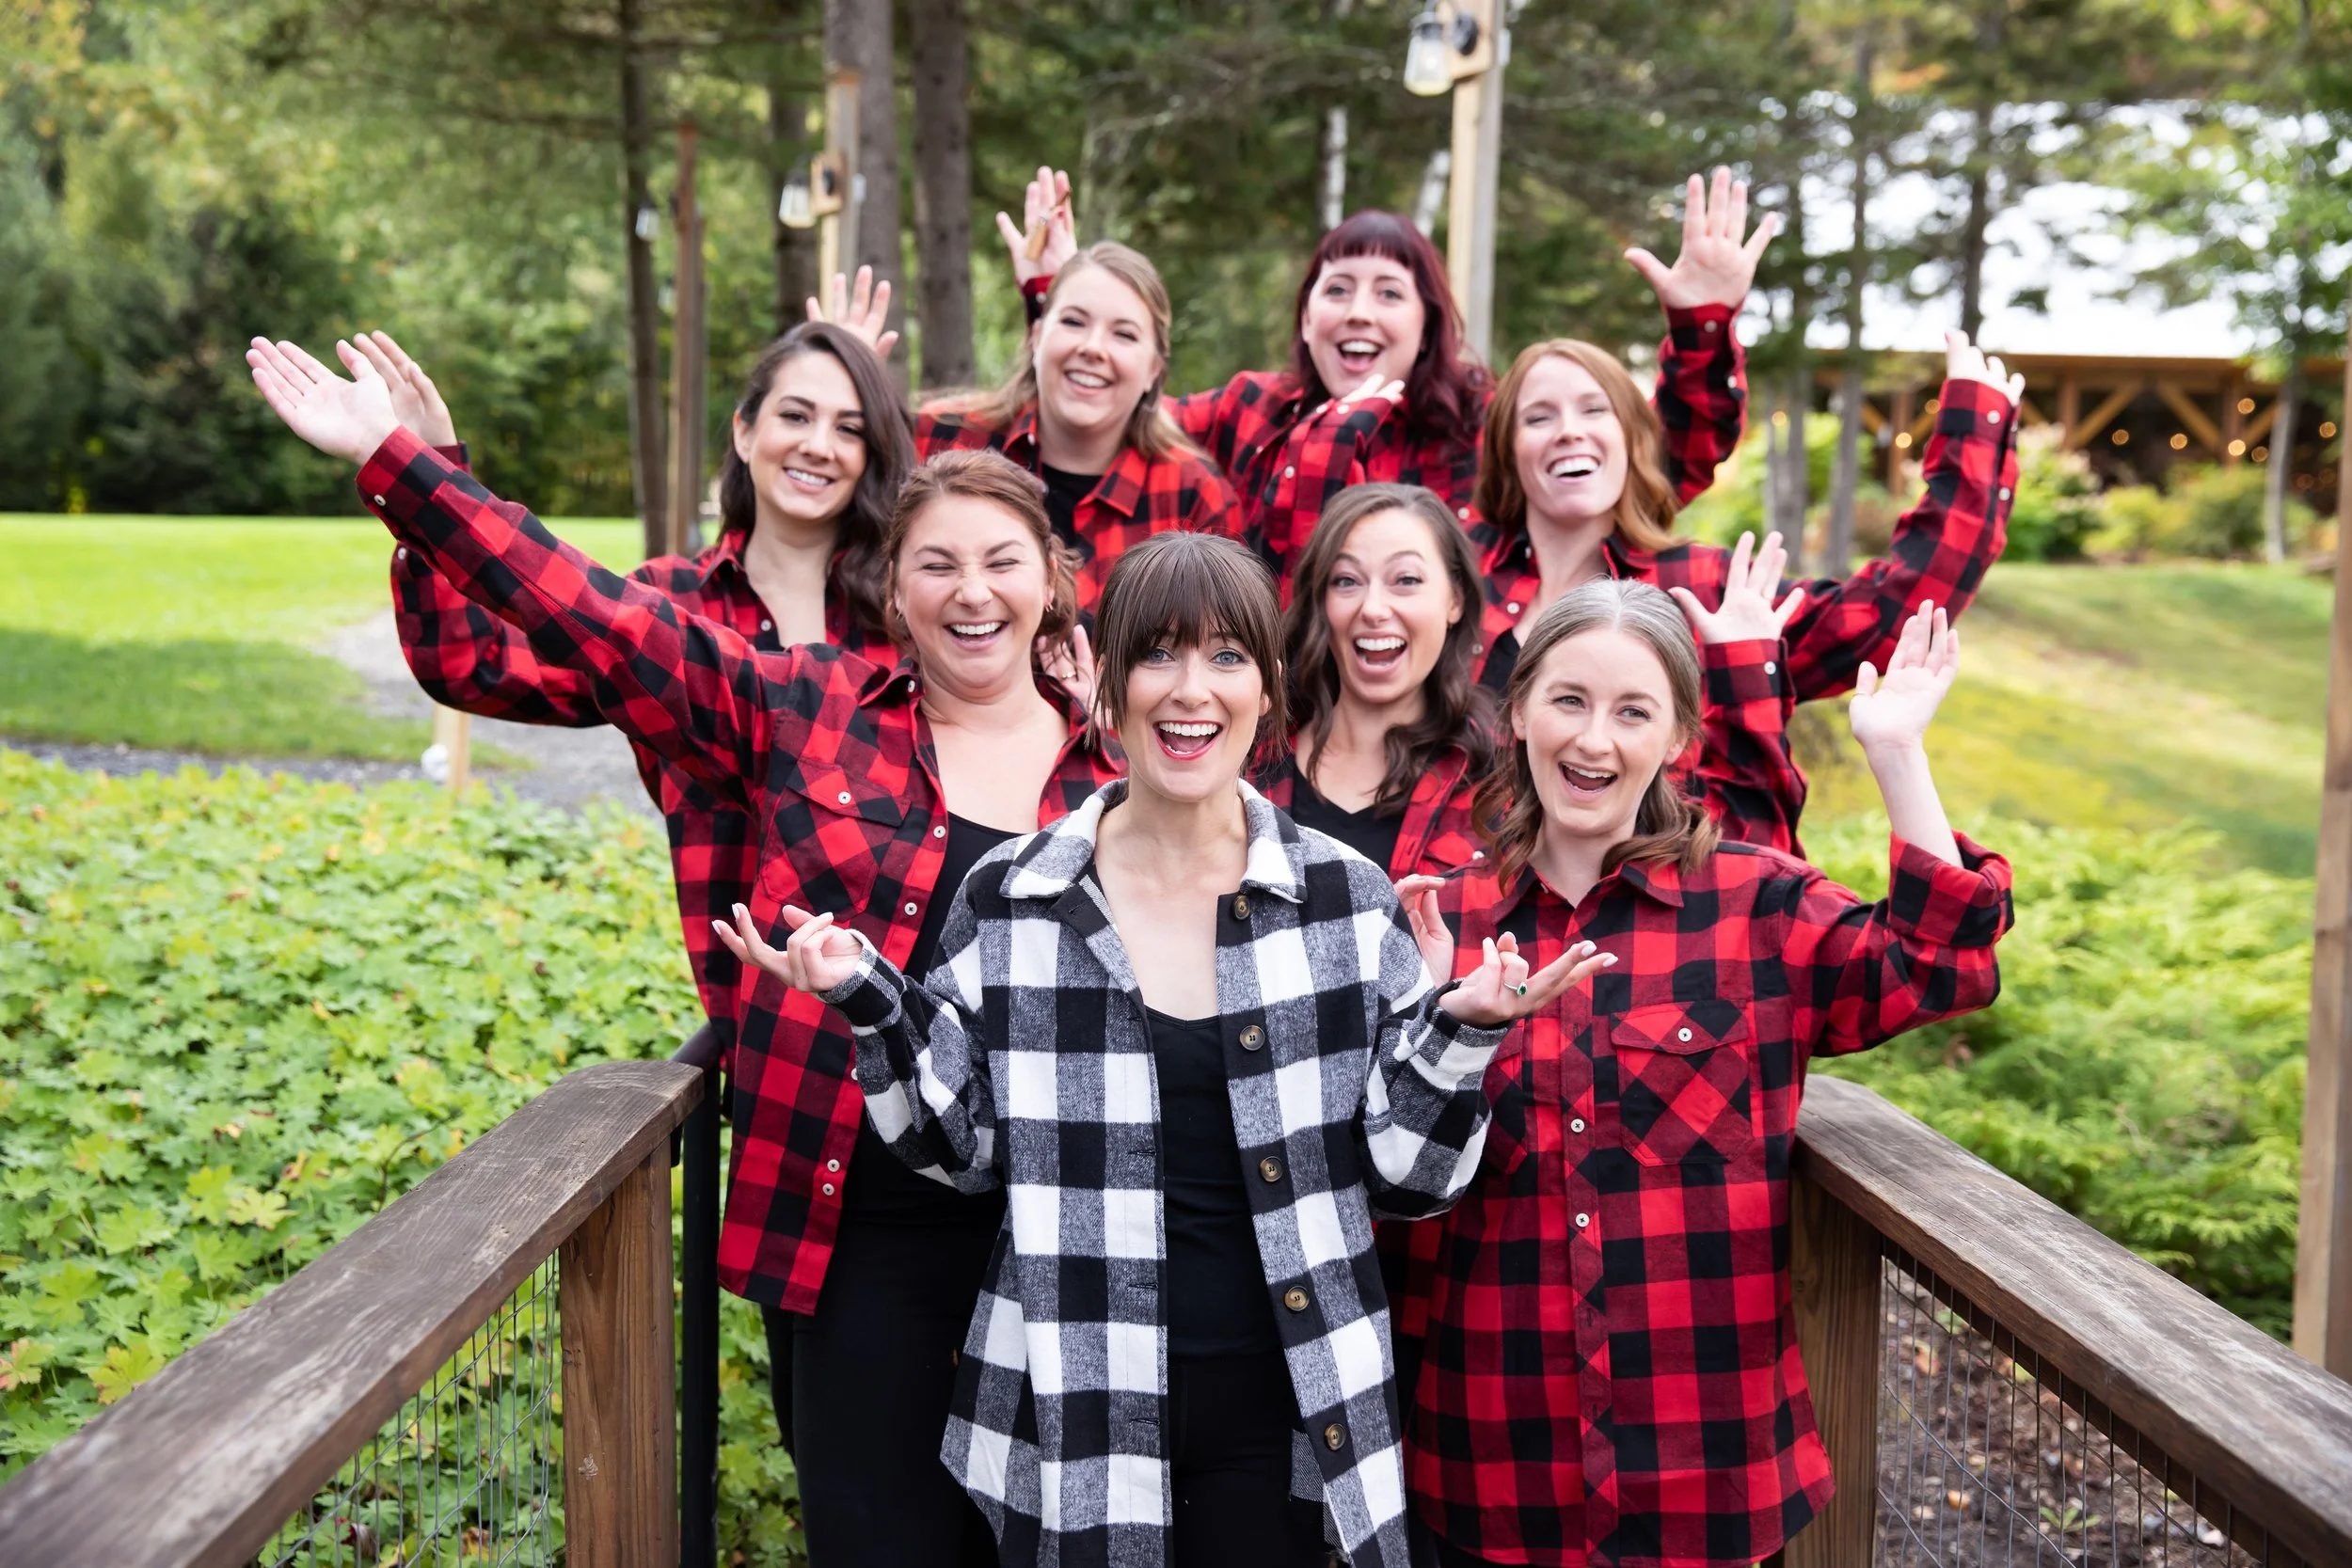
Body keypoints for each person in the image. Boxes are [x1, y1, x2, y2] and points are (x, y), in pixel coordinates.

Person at [245, 329, 1118, 1568]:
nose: (970, 589)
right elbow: (585, 613)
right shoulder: (803, 705)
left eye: (1000, 562)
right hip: (856, 1216)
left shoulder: (1120, 775)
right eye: (937, 564)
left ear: (1052, 580)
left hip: (1059, 1232)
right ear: (897, 589)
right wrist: (411, 467)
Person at [717, 530, 1610, 1568]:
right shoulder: (1016, 896)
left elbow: (1410, 1179)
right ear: (1106, 680)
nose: (1193, 690)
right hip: (1074, 1411)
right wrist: (867, 997)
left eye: (1229, 656)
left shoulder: (1340, 900)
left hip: (1283, 1407)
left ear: (1271, 688)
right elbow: (961, 1148)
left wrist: (1461, 1030)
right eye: (1159, 653)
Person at [1391, 580, 2013, 1568]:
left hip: (1705, 1480)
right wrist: (1436, 1029)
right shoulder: (1435, 923)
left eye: (1632, 710)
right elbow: (1382, 1178)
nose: (1594, 739)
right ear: (1516, 711)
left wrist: (1897, 754)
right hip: (1491, 1469)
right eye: (1568, 699)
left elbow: (1941, 968)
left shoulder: (1755, 908)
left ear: (1679, 734)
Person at [357, 323, 907, 1046]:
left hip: (909, 1015)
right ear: (744, 431)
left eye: (849, 427)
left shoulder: (907, 615)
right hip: (758, 1037)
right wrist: (434, 476)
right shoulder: (667, 607)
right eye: (795, 415)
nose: (817, 445)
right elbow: (475, 664)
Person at [999, 167, 1771, 585]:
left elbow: (1652, 461)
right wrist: (1058, 299)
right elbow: (1111, 414)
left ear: (1429, 321)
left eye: (1389, 293)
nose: (1359, 312)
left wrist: (1701, 326)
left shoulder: (1485, 421)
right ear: (1306, 319)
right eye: (1337, 291)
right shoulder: (1252, 410)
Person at [1258, 485, 1806, 884]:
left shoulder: (1515, 766)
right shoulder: (1252, 757)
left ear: (1454, 600)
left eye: (1406, 580)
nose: (1374, 608)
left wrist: (1745, 668)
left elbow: (1726, 865)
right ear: (1320, 600)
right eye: (1347, 581)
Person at [1467, 327, 2024, 711]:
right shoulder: (1454, 586)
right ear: (1506, 451)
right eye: (1538, 417)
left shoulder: (1709, 593)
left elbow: (1888, 613)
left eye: (1594, 409)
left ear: (1633, 439)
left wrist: (1974, 435)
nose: (1569, 430)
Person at [816, 249, 1240, 616]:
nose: (1093, 348)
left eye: (1124, 334)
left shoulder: (1193, 494)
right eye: (1073, 322)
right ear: (1037, 336)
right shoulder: (938, 436)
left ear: (1154, 370)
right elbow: (840, 536)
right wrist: (845, 382)